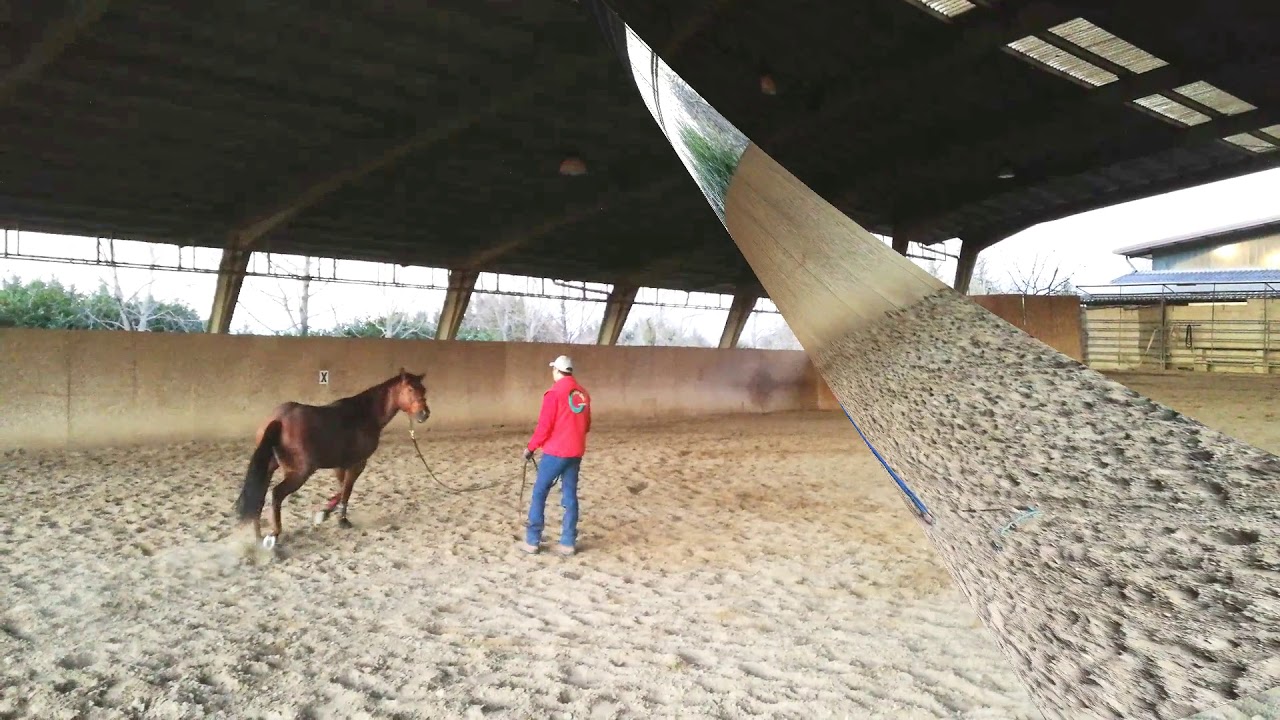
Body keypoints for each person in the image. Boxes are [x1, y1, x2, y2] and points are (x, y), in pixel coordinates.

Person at [518, 354, 591, 557]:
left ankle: (532, 540)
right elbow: (586, 425)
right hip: (575, 452)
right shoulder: (583, 394)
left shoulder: (553, 393)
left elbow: (544, 427)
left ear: (557, 371)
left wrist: (531, 448)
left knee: (540, 492)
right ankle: (568, 542)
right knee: (570, 496)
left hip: (555, 452)